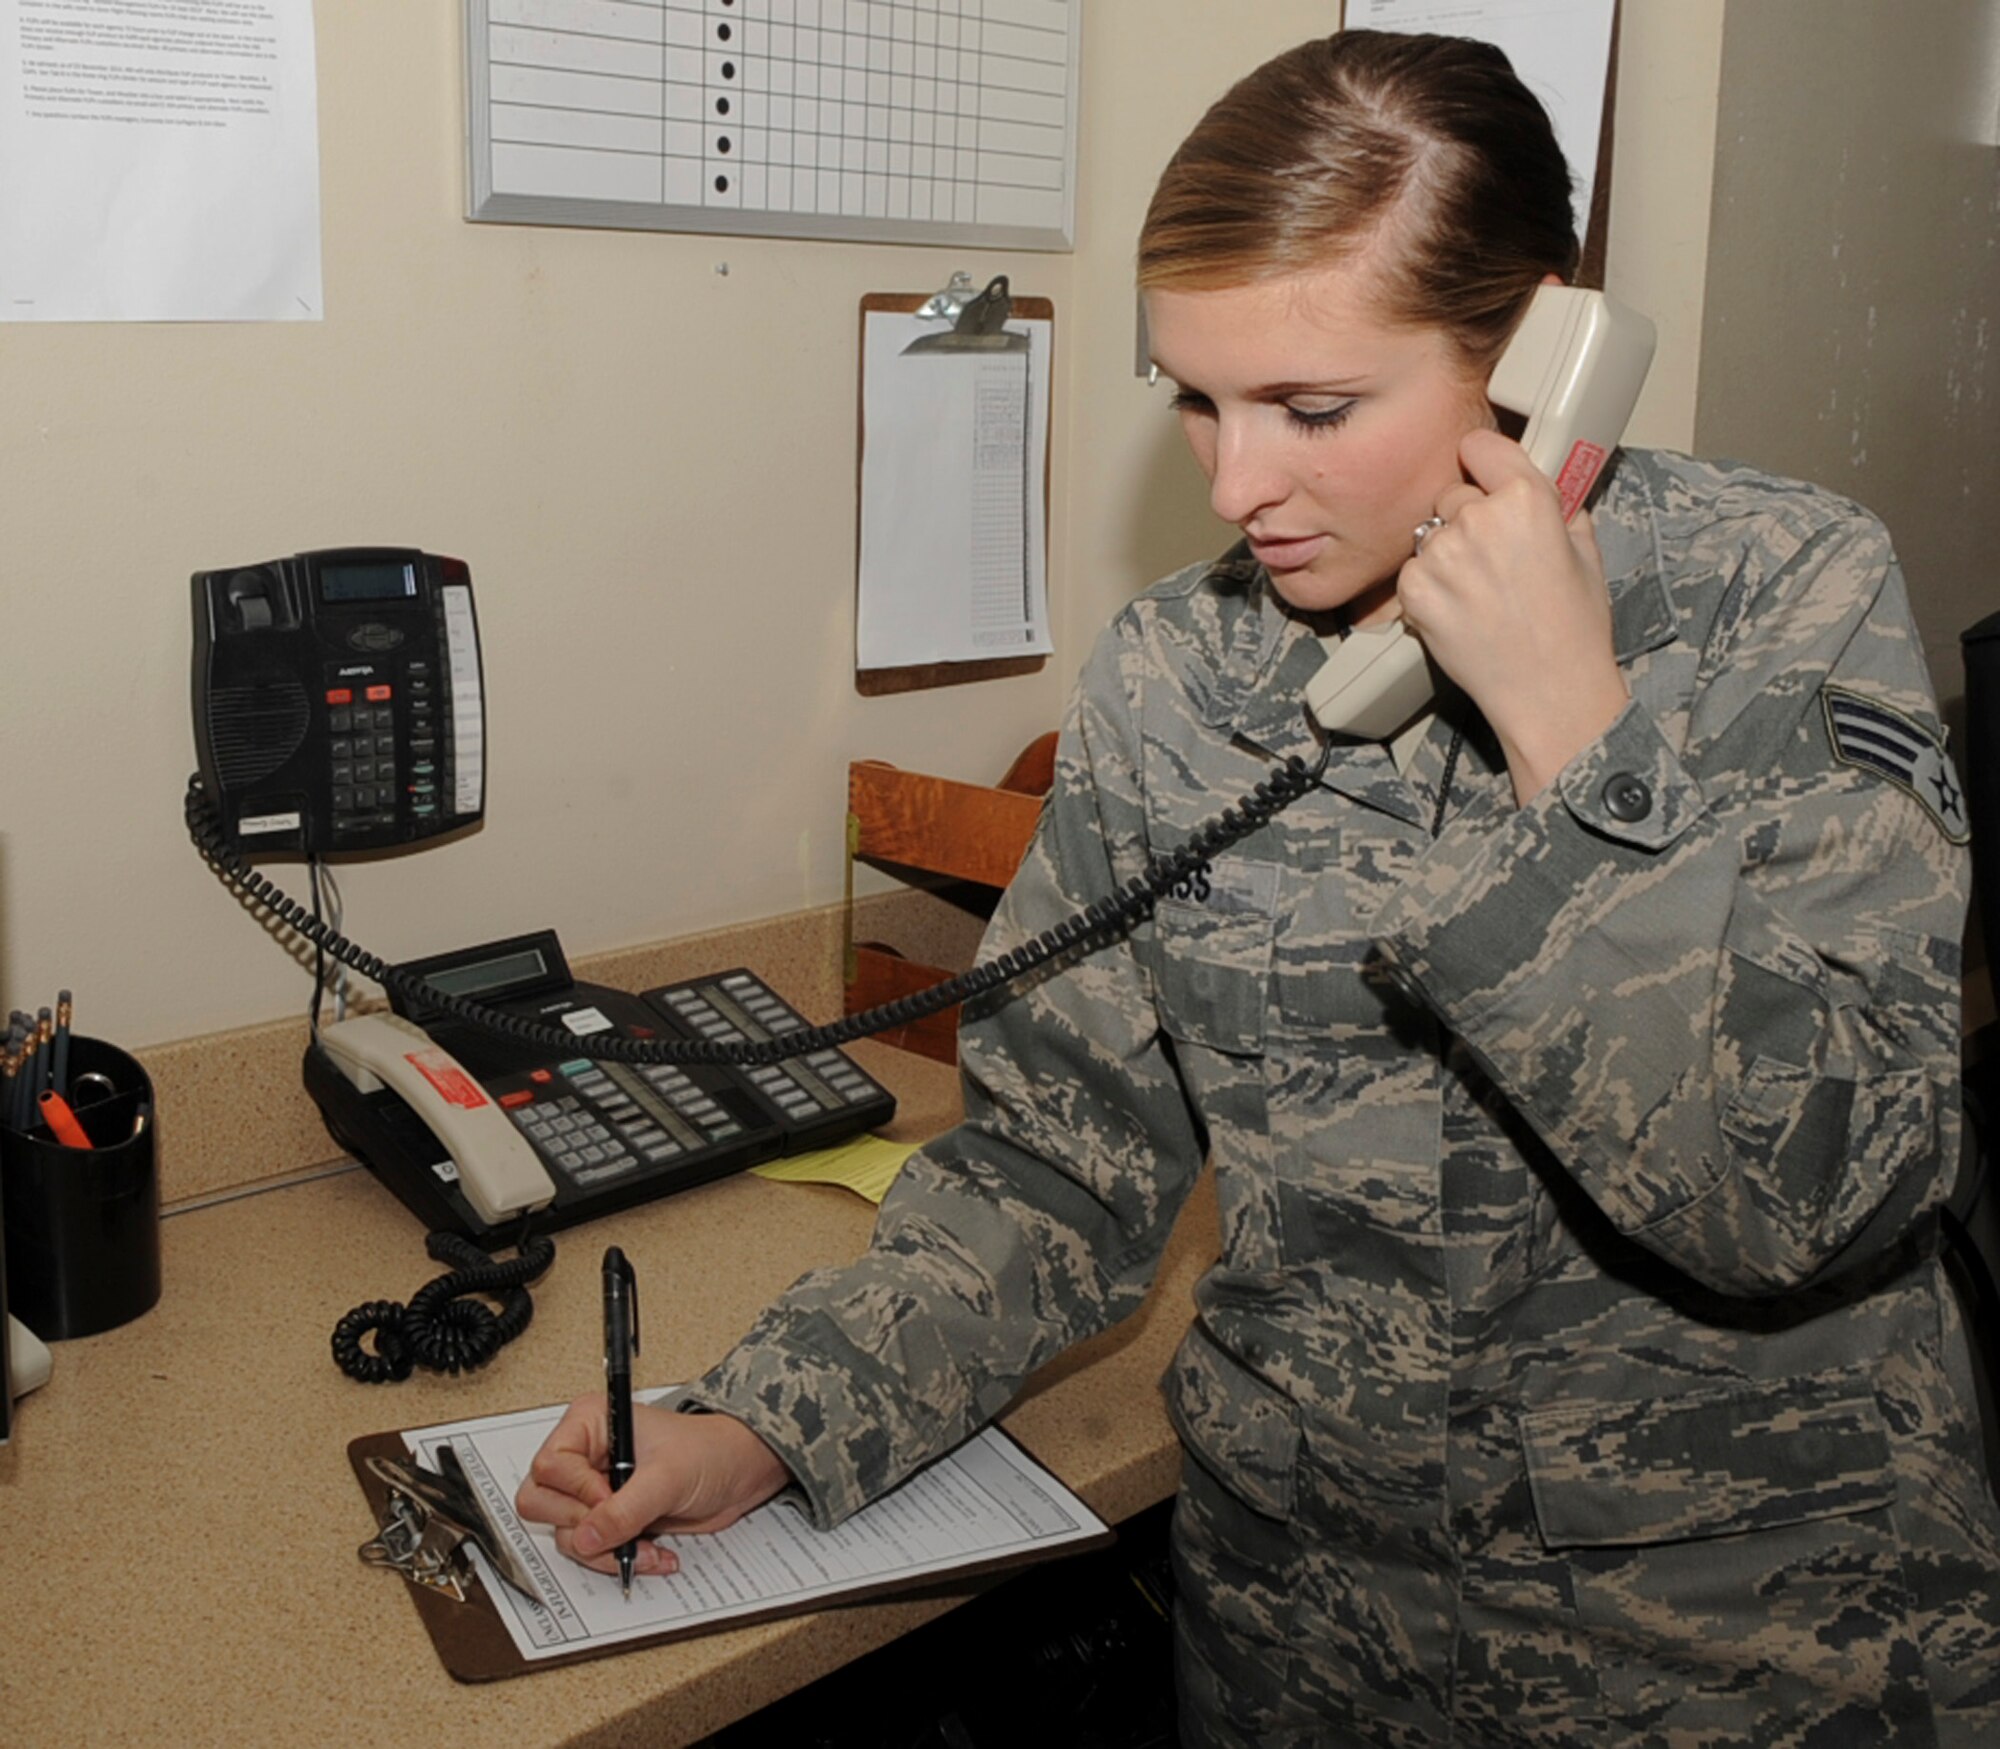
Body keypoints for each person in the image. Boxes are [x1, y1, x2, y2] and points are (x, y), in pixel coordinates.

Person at [519, 31, 2000, 1746]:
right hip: (1309, 1650)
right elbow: (1047, 1165)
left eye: (1311, 408)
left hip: (1738, 1665)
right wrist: (769, 1419)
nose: (1235, 487)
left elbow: (1825, 1191)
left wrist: (1572, 737)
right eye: (1197, 401)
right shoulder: (1176, 675)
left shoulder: (1789, 601)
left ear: (1538, 361)